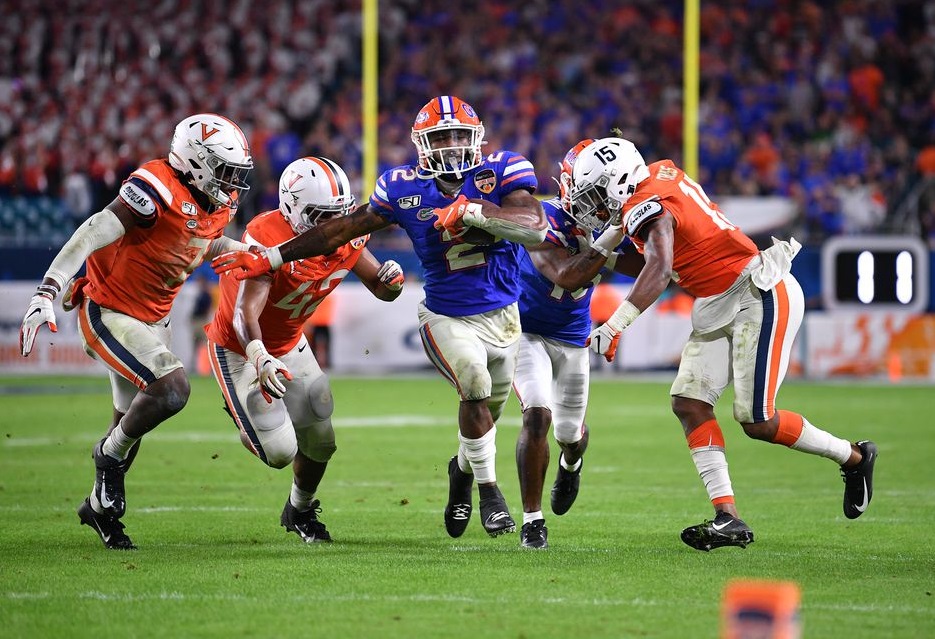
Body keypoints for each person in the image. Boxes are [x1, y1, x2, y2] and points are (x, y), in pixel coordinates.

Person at [213, 95, 548, 539]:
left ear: (476, 138)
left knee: (484, 414)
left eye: (457, 136)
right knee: (473, 384)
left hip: (504, 317)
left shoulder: (503, 169)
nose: (450, 146)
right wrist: (274, 256)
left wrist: (473, 212)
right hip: (444, 315)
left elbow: (536, 227)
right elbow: (344, 229)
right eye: (440, 137)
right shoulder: (401, 188)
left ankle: (459, 476)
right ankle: (491, 496)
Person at [568, 136, 878, 551]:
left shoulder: (648, 203)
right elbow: (660, 259)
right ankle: (727, 517)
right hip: (719, 300)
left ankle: (855, 457)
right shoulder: (654, 182)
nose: (593, 205)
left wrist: (617, 322)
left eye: (595, 194)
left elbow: (659, 269)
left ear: (618, 180)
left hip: (757, 292)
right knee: (690, 403)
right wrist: (603, 254)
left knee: (757, 421)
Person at [19, 113, 255, 549]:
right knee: (171, 389)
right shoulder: (156, 185)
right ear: (195, 161)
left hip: (153, 318)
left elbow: (199, 242)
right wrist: (47, 289)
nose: (231, 182)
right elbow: (93, 231)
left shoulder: (216, 202)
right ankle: (105, 455)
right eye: (224, 170)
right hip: (109, 311)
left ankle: (98, 509)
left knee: (131, 423)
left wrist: (245, 252)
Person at [205, 156, 404, 543]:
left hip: (291, 342)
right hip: (242, 347)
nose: (331, 226)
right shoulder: (267, 235)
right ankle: (241, 410)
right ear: (292, 207)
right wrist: (260, 357)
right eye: (320, 215)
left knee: (322, 437)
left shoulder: (345, 234)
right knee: (280, 451)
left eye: (337, 215)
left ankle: (299, 510)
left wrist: (390, 283)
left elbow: (379, 286)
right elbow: (245, 315)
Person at [513, 139, 644, 548]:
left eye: (598, 197)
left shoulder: (610, 225)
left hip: (571, 337)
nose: (589, 205)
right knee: (537, 415)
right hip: (524, 331)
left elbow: (649, 265)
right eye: (585, 194)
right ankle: (532, 520)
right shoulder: (539, 215)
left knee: (570, 434)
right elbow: (565, 275)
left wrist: (631, 231)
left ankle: (572, 462)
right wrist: (605, 243)